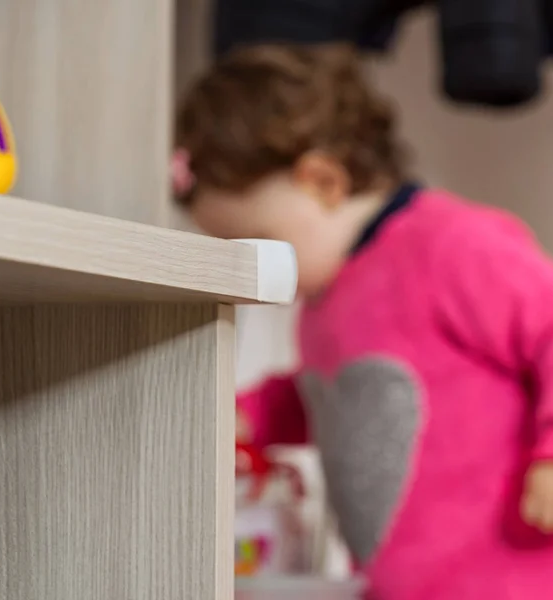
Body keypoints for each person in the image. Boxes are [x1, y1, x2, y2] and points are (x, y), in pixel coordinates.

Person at [172, 43, 553, 599]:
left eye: (253, 244)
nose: (248, 272)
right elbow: (327, 397)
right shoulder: (329, 296)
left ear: (323, 181)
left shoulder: (450, 245)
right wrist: (248, 415)